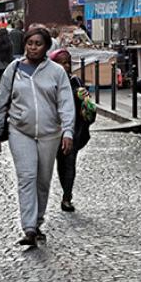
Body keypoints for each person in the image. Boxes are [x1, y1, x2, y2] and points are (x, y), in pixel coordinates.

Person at [0, 26, 75, 246]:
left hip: (50, 133)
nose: (33, 48)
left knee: (43, 180)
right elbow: (1, 102)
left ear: (46, 46)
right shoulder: (13, 69)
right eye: (30, 43)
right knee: (27, 178)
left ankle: (37, 222)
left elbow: (66, 103)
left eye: (38, 44)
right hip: (21, 130)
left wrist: (67, 130)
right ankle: (28, 228)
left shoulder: (56, 71)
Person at [49, 48, 95, 212]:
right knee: (51, 167)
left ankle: (67, 196)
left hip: (72, 131)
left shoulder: (75, 82)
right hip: (50, 131)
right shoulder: (47, 82)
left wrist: (84, 99)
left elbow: (88, 108)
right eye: (61, 63)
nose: (65, 66)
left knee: (68, 164)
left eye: (68, 62)